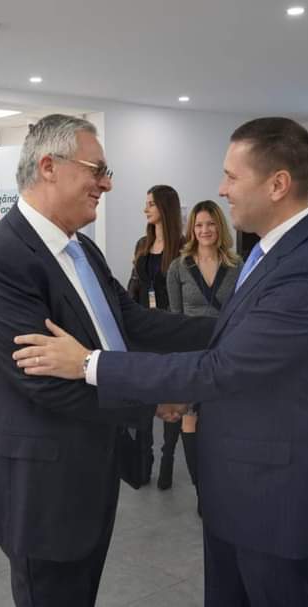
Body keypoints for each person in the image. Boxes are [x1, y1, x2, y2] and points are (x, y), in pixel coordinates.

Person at [13, 117, 308, 607]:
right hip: (239, 488)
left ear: (278, 184)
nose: (222, 190)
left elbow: (222, 367)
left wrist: (90, 364)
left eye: (231, 176)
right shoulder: (275, 254)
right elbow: (224, 339)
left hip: (275, 499)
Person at [0, 114, 214, 606]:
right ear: (48, 167)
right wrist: (154, 401)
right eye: (97, 170)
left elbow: (133, 322)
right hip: (41, 489)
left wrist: (234, 327)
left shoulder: (81, 250)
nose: (107, 184)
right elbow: (44, 382)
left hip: (90, 467)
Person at [165, 199, 240, 492]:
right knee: (190, 418)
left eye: (210, 224)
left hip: (225, 353)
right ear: (192, 229)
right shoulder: (178, 267)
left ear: (220, 227)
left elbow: (241, 313)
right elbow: (175, 317)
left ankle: (220, 483)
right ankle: (201, 489)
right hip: (192, 355)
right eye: (199, 225)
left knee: (222, 420)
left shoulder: (237, 266)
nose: (204, 230)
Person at [128, 184, 184, 489]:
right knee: (145, 397)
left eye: (150, 204)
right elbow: (133, 286)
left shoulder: (183, 248)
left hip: (169, 331)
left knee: (170, 397)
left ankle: (167, 460)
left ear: (165, 207)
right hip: (142, 330)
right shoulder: (142, 244)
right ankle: (143, 460)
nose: (145, 209)